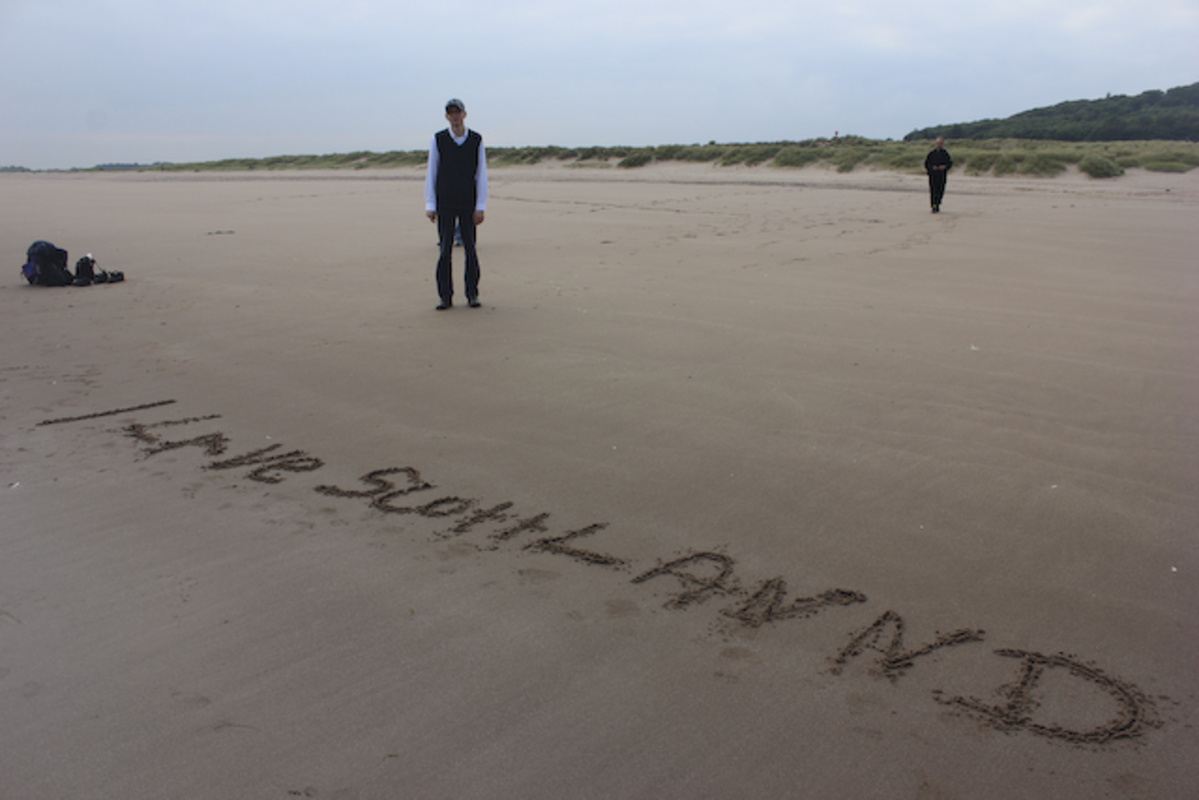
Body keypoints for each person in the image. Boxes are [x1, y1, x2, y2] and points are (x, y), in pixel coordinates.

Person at [425, 98, 488, 309]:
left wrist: (481, 206)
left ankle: (472, 293)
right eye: (451, 113)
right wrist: (430, 204)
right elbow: (432, 172)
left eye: (457, 112)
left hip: (468, 201)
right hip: (445, 201)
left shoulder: (476, 140)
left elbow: (481, 174)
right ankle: (445, 296)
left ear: (464, 114)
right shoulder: (438, 139)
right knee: (445, 251)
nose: (455, 116)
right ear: (447, 116)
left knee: (470, 249)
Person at [924, 137, 952, 213]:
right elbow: (926, 164)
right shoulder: (931, 154)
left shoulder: (945, 154)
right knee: (933, 191)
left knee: (940, 190)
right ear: (936, 144)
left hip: (942, 175)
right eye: (938, 143)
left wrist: (944, 167)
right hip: (933, 175)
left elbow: (949, 163)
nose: (939, 144)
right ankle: (934, 206)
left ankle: (938, 203)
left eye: (941, 143)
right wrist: (932, 168)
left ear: (943, 144)